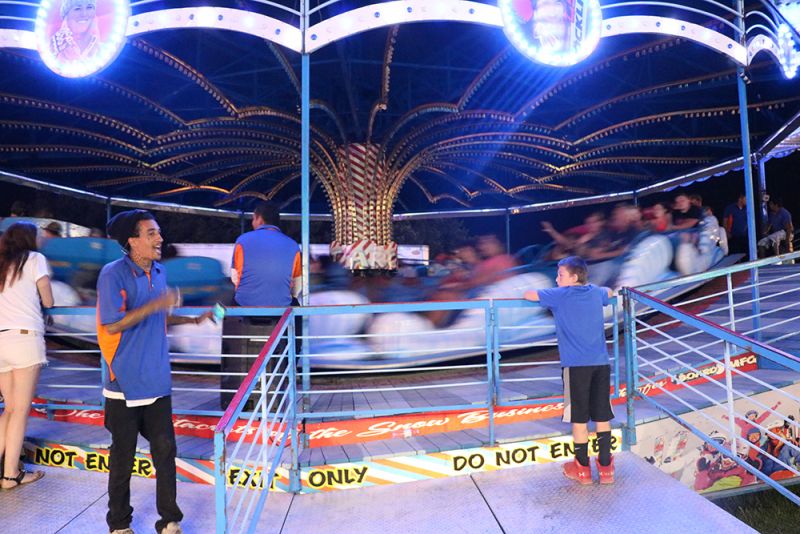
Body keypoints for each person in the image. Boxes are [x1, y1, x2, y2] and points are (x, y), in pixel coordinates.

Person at [97, 210, 213, 534]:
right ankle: (119, 523)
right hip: (123, 381)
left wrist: (191, 320)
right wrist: (155, 304)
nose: (159, 238)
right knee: (123, 457)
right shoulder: (112, 274)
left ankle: (169, 520)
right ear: (132, 241)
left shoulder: (159, 271)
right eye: (151, 233)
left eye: (158, 232)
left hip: (157, 380)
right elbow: (112, 322)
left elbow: (157, 317)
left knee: (165, 451)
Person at [524, 256, 615, 484]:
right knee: (602, 417)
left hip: (575, 367)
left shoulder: (559, 295)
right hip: (600, 364)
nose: (556, 279)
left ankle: (582, 470)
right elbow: (610, 292)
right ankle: (606, 470)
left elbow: (529, 295)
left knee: (579, 419)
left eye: (561, 275)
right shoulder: (596, 293)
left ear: (573, 278)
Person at [223, 201, 301, 410]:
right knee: (298, 312)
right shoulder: (293, 245)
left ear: (259, 218)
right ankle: (293, 362)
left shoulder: (242, 241)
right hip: (279, 310)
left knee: (228, 308)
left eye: (253, 218)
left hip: (245, 307)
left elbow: (235, 278)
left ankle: (231, 372)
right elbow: (297, 286)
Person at [0, 222, 53, 490]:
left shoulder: (1, 265)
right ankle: (10, 476)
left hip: (0, 339)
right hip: (24, 339)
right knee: (20, 411)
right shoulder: (35, 259)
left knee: (8, 410)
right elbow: (49, 300)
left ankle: (7, 469)